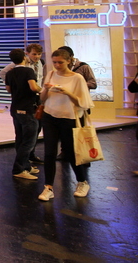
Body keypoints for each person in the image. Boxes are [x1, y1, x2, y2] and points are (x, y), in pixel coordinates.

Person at [37, 48, 95, 201]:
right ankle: (48, 187)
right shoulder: (51, 74)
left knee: (70, 152)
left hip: (69, 118)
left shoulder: (77, 78)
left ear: (69, 61)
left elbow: (84, 102)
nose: (57, 65)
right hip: (49, 116)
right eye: (54, 62)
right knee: (49, 153)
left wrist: (67, 92)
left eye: (60, 62)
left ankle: (82, 182)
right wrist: (46, 90)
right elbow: (43, 98)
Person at [5, 49, 42, 180]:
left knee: (20, 139)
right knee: (29, 141)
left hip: (15, 108)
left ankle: (26, 166)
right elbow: (33, 87)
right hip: (28, 108)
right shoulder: (28, 71)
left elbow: (8, 89)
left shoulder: (10, 73)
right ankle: (19, 168)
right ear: (24, 58)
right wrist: (43, 89)